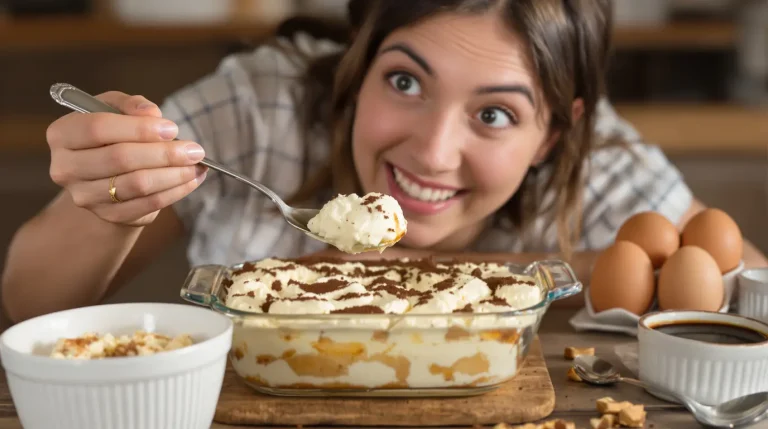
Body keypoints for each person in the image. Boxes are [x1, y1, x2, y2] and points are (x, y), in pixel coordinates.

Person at [3, 0, 766, 323]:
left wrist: (503, 277)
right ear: (358, 63)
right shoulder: (259, 112)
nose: (432, 152)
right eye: (404, 82)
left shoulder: (596, 160)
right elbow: (27, 305)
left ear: (555, 135)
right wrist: (108, 201)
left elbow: (735, 276)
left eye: (494, 113)